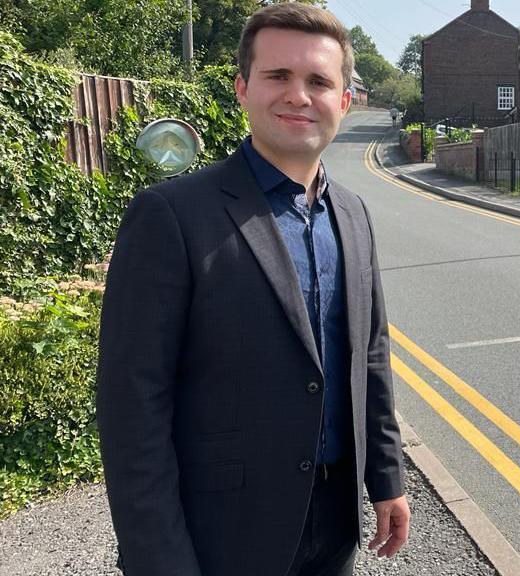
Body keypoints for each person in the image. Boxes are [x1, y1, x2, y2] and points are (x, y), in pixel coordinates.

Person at [95, 4, 409, 576]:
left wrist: (385, 477)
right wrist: (158, 559)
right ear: (243, 88)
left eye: (318, 81)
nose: (298, 95)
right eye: (277, 76)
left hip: (335, 526)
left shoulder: (354, 213)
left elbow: (370, 354)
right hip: (222, 534)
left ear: (343, 101)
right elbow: (131, 404)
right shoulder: (170, 215)